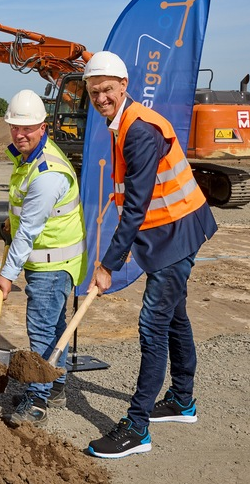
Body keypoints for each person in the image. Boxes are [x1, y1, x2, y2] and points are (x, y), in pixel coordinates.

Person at [82, 51, 218, 459]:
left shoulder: (139, 131)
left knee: (151, 326)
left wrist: (108, 265)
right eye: (94, 92)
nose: (101, 97)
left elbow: (137, 207)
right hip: (169, 232)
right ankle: (182, 401)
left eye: (107, 89)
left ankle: (137, 427)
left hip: (175, 234)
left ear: (124, 86)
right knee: (175, 316)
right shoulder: (122, 122)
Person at [0, 89, 86, 425]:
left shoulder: (47, 173)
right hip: (52, 259)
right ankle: (57, 387)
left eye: (27, 128)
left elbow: (29, 230)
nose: (19, 134)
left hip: (50, 263)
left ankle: (37, 402)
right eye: (14, 128)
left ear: (43, 126)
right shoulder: (31, 157)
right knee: (55, 326)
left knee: (42, 331)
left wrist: (6, 275)